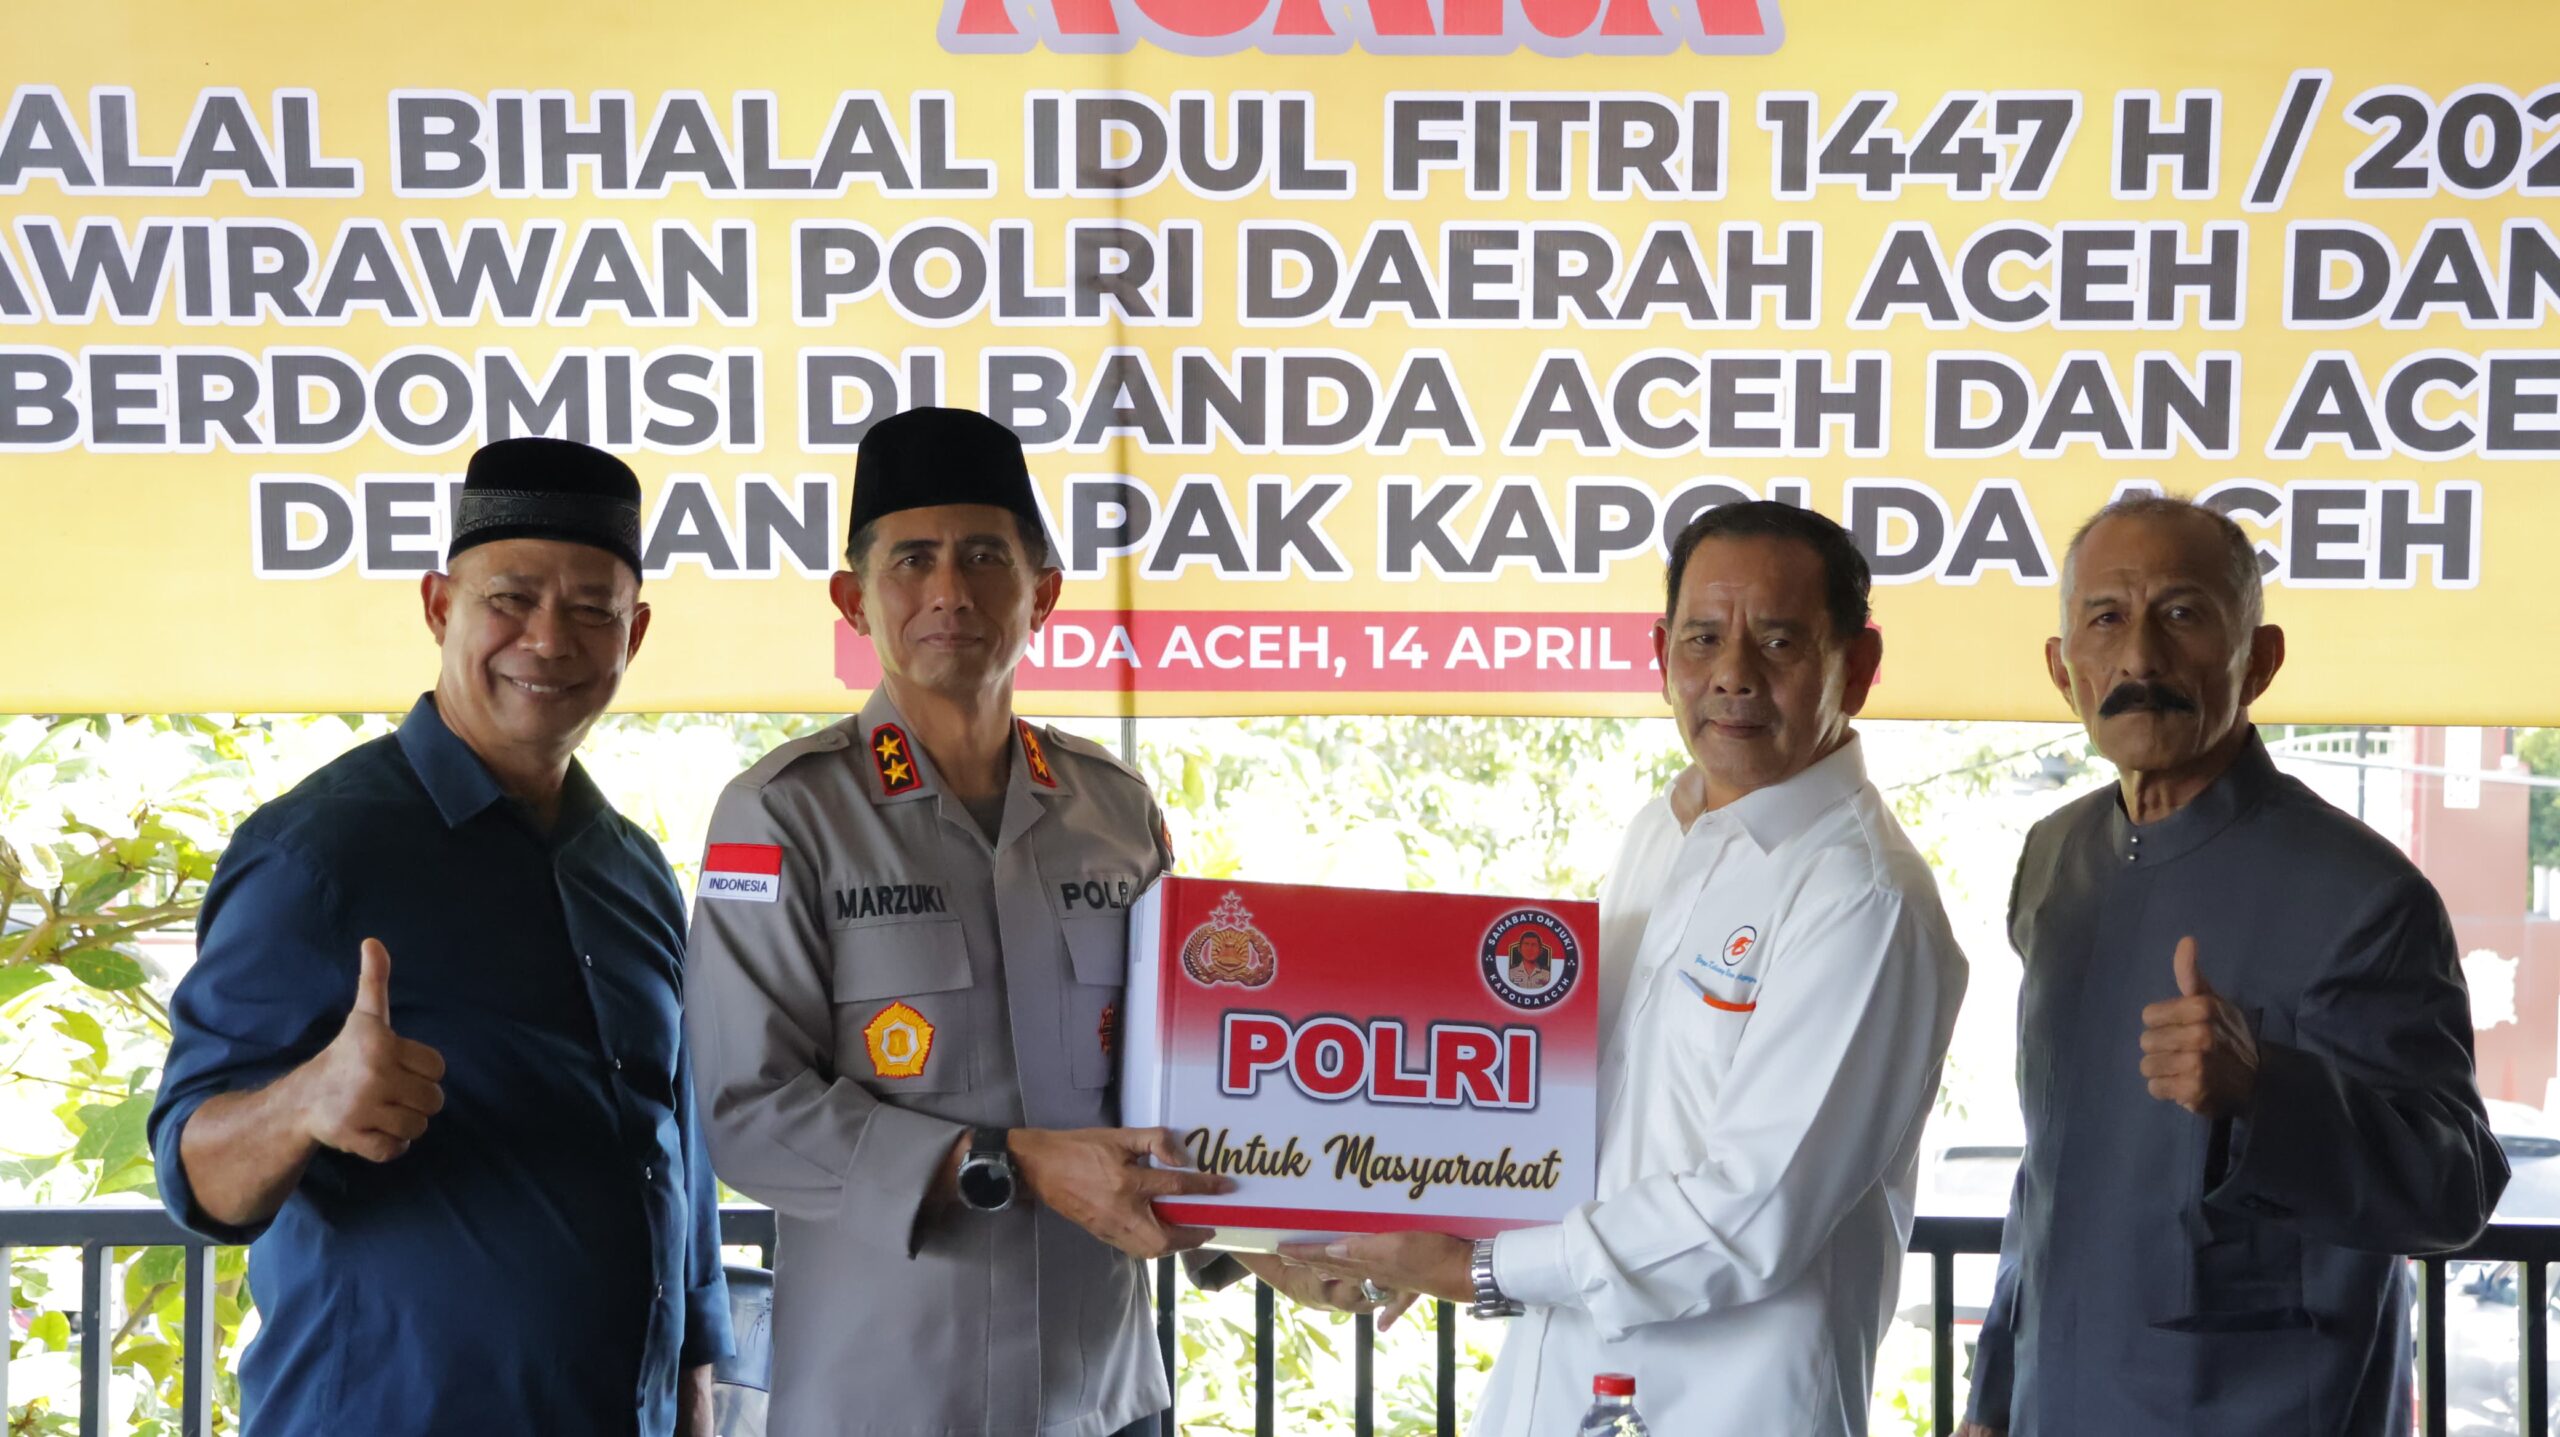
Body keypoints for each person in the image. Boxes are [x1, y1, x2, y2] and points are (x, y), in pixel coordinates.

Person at [683, 406, 1376, 1437]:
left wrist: (1266, 1242)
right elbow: (750, 1115)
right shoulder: (782, 815)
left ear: (1042, 594)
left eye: (984, 557)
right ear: (854, 601)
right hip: (889, 1404)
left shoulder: (1115, 812)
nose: (949, 591)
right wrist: (1013, 1162)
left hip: (1100, 1398)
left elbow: (1173, 1081)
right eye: (911, 560)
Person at [1286, 501, 1970, 1436]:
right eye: (1702, 638)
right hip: (1559, 1390)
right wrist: (1436, 1225)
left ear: (1858, 665)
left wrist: (1472, 1267)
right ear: (1661, 653)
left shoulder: (1865, 898)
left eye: (1778, 641)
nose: (1732, 673)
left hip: (1729, 1411)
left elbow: (1751, 1213)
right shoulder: (1664, 830)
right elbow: (1584, 1122)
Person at [146, 438, 732, 1435]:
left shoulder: (631, 867)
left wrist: (694, 1377)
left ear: (632, 634)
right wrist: (306, 1102)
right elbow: (195, 1176)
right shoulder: (316, 855)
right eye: (512, 598)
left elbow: (673, 1141)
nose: (548, 639)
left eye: (592, 609)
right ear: (438, 606)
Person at [1957, 495, 2508, 1437]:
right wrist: (1996, 1391)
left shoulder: (2362, 893)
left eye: (2182, 614)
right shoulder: (2056, 859)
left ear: (2260, 660)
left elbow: (2455, 1191)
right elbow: (2048, 1169)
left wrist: (2268, 1090)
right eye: (2106, 618)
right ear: (2061, 668)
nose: (2139, 658)